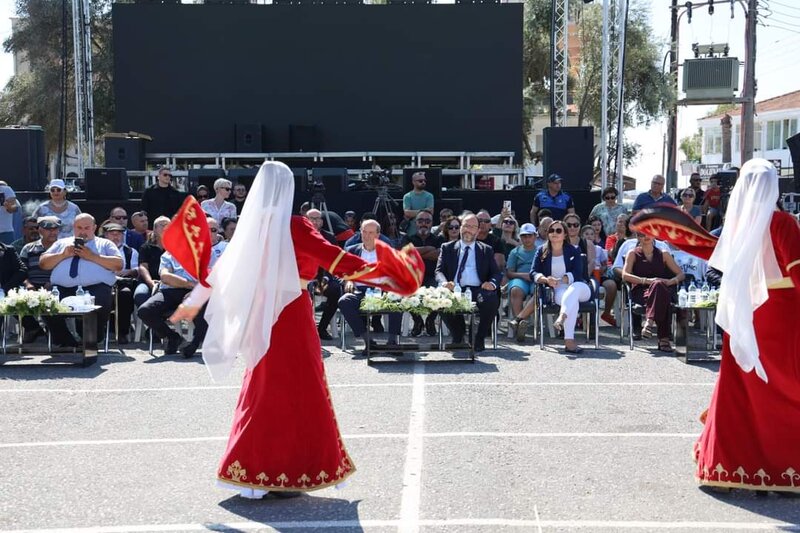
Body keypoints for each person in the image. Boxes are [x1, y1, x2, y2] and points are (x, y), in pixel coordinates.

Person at [168, 161, 421, 498]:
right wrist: (388, 273)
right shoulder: (296, 227)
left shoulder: (251, 227)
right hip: (291, 311)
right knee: (301, 388)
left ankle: (250, 470)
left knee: (262, 385)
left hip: (261, 310)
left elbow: (222, 272)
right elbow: (337, 260)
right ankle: (294, 466)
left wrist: (192, 303)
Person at [693, 158, 800, 494]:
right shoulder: (782, 223)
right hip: (781, 316)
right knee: (785, 389)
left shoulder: (737, 228)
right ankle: (782, 465)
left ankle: (730, 466)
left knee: (741, 390)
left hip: (745, 314)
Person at [39, 214, 123, 345]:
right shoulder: (61, 243)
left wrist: (92, 256)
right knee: (45, 304)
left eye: (86, 228)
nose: (82, 231)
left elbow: (118, 264)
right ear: (73, 227)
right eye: (79, 227)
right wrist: (63, 255)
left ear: (94, 228)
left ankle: (92, 338)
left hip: (95, 288)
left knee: (101, 300)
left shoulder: (105, 244)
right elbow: (43, 263)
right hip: (61, 288)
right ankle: (65, 340)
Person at [435, 213, 502, 353]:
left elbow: (496, 273)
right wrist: (444, 283)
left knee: (491, 298)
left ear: (478, 231)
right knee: (439, 299)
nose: (468, 229)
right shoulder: (447, 248)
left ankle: (478, 338)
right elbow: (438, 272)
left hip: (478, 289)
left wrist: (492, 284)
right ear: (460, 228)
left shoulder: (485, 249)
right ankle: (458, 336)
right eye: (465, 226)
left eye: (472, 227)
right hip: (455, 288)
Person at [339, 219, 403, 351]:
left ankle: (392, 341)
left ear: (378, 235)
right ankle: (368, 340)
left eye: (371, 233)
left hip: (382, 291)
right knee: (344, 301)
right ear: (360, 233)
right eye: (364, 232)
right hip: (360, 291)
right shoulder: (351, 251)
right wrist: (349, 280)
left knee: (397, 299)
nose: (367, 236)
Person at [530, 220, 592, 353]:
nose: (554, 233)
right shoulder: (541, 251)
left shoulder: (573, 250)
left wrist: (564, 278)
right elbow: (533, 272)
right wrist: (546, 279)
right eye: (551, 231)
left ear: (565, 235)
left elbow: (578, 272)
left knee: (573, 290)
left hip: (579, 286)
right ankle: (569, 342)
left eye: (558, 231)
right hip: (557, 289)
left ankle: (562, 317)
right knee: (571, 301)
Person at [621, 231, 685, 352]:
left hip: (661, 290)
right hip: (641, 291)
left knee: (660, 288)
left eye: (648, 233)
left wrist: (670, 282)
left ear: (654, 235)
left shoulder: (664, 254)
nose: (645, 237)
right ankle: (663, 339)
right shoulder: (633, 254)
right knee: (660, 290)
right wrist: (647, 281)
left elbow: (681, 274)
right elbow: (625, 275)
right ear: (637, 237)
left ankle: (649, 322)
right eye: (641, 234)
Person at [400, 210, 443, 337]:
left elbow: (439, 254)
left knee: (441, 290)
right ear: (416, 223)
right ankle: (417, 320)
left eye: (427, 221)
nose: (424, 224)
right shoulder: (408, 238)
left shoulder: (439, 239)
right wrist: (429, 249)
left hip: (432, 276)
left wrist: (416, 253)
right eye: (420, 221)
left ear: (432, 223)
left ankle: (430, 319)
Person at [19, 216, 61, 342]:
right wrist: (28, 284)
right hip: (32, 286)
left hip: (56, 286)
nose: (52, 232)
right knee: (14, 301)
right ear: (40, 230)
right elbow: (21, 271)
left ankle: (55, 332)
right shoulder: (28, 248)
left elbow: (65, 271)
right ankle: (33, 328)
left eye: (55, 229)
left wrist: (52, 282)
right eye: (49, 229)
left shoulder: (63, 248)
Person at [103, 222, 139, 344]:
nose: (116, 237)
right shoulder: (99, 250)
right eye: (112, 234)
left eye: (118, 234)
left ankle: (123, 332)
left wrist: (128, 271)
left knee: (125, 294)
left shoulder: (131, 251)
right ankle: (98, 331)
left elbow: (137, 269)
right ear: (106, 235)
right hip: (103, 281)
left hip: (123, 282)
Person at [506, 223, 539, 342]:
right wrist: (525, 275)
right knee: (515, 290)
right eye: (524, 236)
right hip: (520, 279)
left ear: (535, 236)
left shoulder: (541, 251)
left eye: (530, 236)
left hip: (537, 279)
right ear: (520, 237)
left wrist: (535, 276)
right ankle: (521, 326)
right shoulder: (515, 252)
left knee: (540, 292)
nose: (527, 239)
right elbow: (509, 273)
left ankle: (518, 321)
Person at [135, 216, 169, 309]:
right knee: (140, 295)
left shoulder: (176, 248)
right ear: (154, 229)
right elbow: (143, 267)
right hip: (148, 281)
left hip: (169, 282)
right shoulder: (146, 247)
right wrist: (151, 283)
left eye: (168, 225)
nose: (166, 228)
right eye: (162, 225)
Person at [402, 171, 435, 237]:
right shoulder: (407, 196)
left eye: (424, 180)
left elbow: (430, 212)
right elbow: (407, 213)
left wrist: (414, 212)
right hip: (411, 232)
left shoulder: (429, 196)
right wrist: (424, 211)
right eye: (420, 181)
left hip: (426, 232)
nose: (423, 182)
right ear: (413, 182)